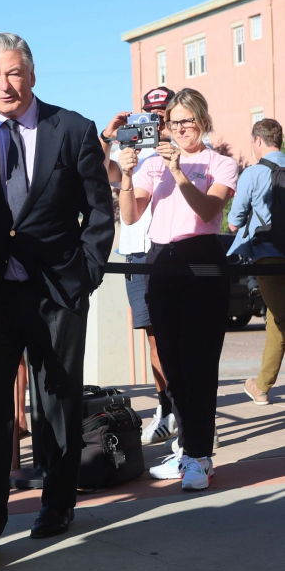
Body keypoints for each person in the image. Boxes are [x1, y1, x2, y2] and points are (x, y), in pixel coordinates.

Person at [0, 32, 114, 564]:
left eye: (14, 73)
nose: (5, 85)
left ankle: (58, 503)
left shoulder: (73, 129)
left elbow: (99, 211)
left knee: (58, 405)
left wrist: (85, 273)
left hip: (57, 293)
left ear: (33, 74)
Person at [119, 88, 237, 490]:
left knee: (199, 362)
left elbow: (208, 211)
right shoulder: (154, 164)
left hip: (203, 258)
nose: (181, 128)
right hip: (160, 260)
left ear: (202, 120)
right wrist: (126, 174)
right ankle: (189, 450)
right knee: (171, 365)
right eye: (174, 122)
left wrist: (180, 172)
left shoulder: (220, 163)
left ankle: (200, 457)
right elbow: (131, 216)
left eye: (188, 120)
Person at [100, 87, 178, 444]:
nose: (153, 123)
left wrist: (171, 147)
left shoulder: (180, 148)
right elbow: (102, 173)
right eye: (148, 115)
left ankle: (187, 413)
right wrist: (108, 136)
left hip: (171, 251)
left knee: (178, 337)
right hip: (136, 254)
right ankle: (167, 409)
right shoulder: (129, 152)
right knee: (154, 340)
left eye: (159, 116)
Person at [227, 119, 285, 405]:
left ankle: (261, 386)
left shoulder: (253, 173)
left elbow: (234, 220)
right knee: (277, 318)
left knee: (280, 318)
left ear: (258, 140)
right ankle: (261, 385)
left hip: (267, 257)